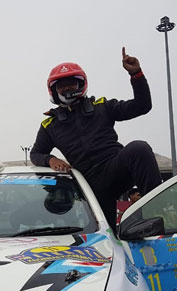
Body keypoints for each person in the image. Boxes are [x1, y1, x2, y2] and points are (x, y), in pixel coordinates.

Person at [30, 47, 161, 232]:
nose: (67, 88)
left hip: (115, 169)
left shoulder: (102, 106)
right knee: (107, 235)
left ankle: (156, 214)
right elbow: (36, 153)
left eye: (71, 83)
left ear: (81, 84)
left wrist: (136, 75)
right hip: (89, 185)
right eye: (62, 85)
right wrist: (50, 159)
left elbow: (142, 106)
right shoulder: (49, 124)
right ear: (53, 90)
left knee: (139, 148)